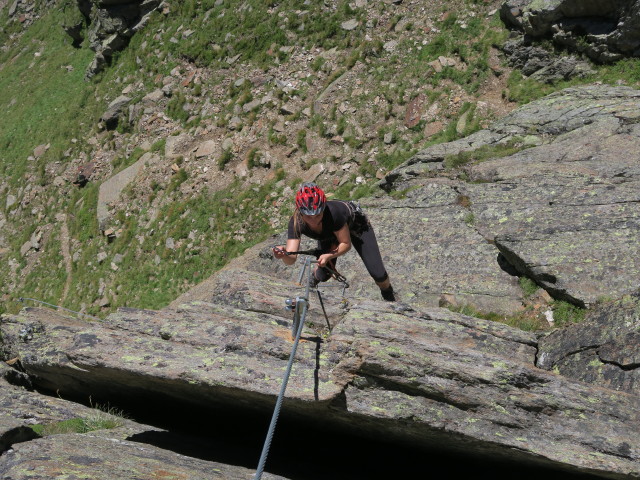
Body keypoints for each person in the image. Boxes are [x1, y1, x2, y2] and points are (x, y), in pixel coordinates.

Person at [273, 182, 396, 301]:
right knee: (323, 275)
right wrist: (283, 254)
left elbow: (346, 244)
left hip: (357, 227)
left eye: (318, 215)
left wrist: (329, 255)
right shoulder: (296, 223)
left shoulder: (333, 213)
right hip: (329, 234)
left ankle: (388, 293)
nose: (314, 220)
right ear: (300, 211)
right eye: (308, 217)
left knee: (378, 274)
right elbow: (291, 258)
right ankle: (316, 276)